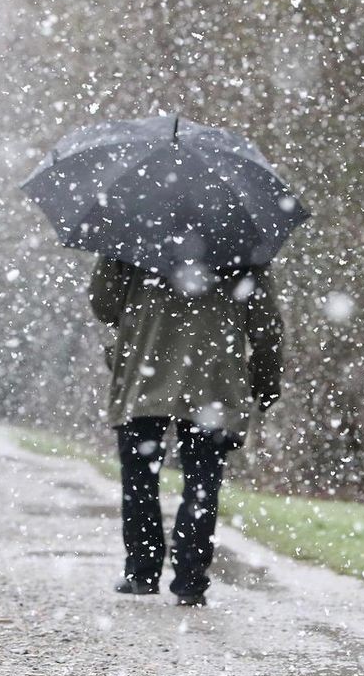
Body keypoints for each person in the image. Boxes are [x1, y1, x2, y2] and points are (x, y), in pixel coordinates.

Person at [89, 256, 283, 607]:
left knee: (139, 477)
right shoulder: (240, 238)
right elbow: (266, 326)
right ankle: (190, 580)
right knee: (202, 480)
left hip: (145, 371)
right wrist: (265, 381)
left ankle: (142, 571)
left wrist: (112, 260)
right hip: (214, 379)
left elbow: (104, 306)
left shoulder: (134, 230)